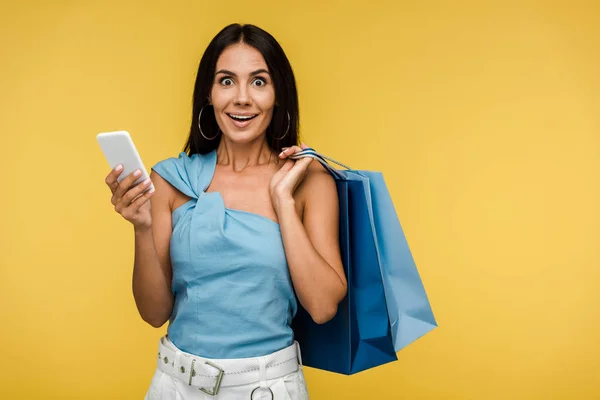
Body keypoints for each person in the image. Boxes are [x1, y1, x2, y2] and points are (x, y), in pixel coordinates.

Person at [104, 23, 348, 399]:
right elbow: (154, 313)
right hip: (175, 387)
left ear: (278, 93)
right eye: (227, 81)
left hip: (267, 388)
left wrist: (282, 201)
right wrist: (140, 228)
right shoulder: (171, 179)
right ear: (209, 93)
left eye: (259, 82)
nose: (242, 99)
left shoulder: (308, 180)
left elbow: (322, 306)